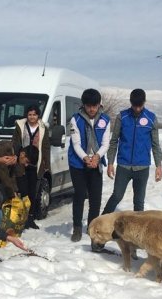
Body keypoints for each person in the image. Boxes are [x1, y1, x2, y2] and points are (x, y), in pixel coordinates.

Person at [101, 89, 162, 216]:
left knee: (139, 202)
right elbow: (114, 141)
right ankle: (101, 222)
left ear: (144, 102)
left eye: (140, 105)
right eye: (135, 106)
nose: (138, 109)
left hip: (142, 167)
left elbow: (155, 144)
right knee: (117, 196)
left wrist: (159, 165)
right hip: (124, 165)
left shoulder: (151, 118)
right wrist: (111, 163)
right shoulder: (122, 117)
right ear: (131, 103)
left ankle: (137, 233)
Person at [67, 88, 111, 242]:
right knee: (79, 194)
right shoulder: (75, 119)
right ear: (84, 105)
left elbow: (106, 143)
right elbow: (76, 143)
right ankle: (77, 227)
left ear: (99, 105)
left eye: (95, 105)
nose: (92, 109)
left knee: (95, 197)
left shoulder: (105, 120)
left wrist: (98, 156)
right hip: (78, 162)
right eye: (88, 106)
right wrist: (86, 158)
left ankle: (92, 226)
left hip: (96, 162)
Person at [13, 105, 50, 229]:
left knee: (32, 191)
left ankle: (30, 218)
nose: (32, 117)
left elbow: (45, 147)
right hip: (22, 162)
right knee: (23, 190)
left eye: (34, 114)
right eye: (30, 114)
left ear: (38, 116)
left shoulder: (43, 128)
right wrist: (18, 156)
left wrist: (46, 164)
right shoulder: (20, 126)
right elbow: (16, 143)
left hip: (36, 163)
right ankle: (21, 217)